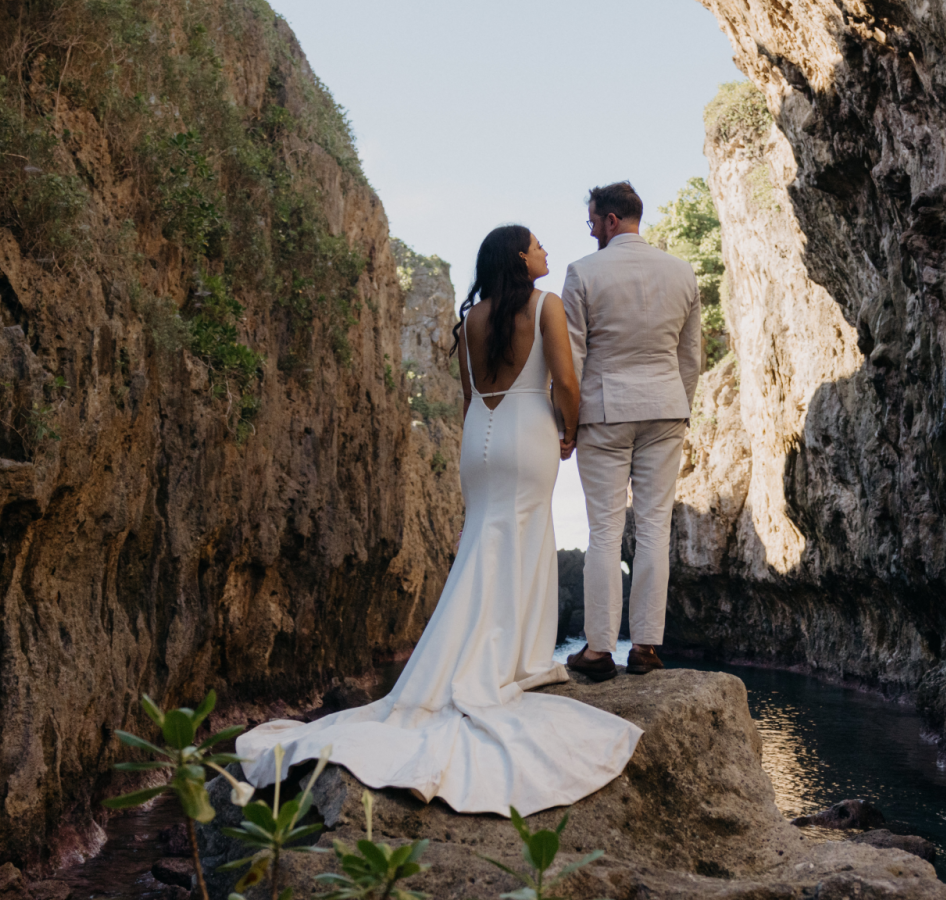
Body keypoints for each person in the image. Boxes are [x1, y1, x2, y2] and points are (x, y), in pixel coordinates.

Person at [235, 225, 642, 816]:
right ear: (519, 258)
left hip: (480, 434)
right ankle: (512, 661)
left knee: (483, 540)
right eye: (538, 246)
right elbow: (567, 382)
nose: (546, 252)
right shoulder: (546, 305)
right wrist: (569, 431)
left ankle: (468, 658)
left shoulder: (474, 318)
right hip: (529, 430)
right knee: (525, 541)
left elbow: (468, 393)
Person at [559, 182, 702, 682]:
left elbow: (572, 358)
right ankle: (644, 648)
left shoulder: (583, 272)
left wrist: (567, 424)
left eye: (594, 220)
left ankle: (598, 651)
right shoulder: (682, 272)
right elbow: (691, 357)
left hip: (603, 410)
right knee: (654, 529)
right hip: (665, 407)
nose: (592, 230)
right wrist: (679, 405)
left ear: (612, 220)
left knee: (604, 530)